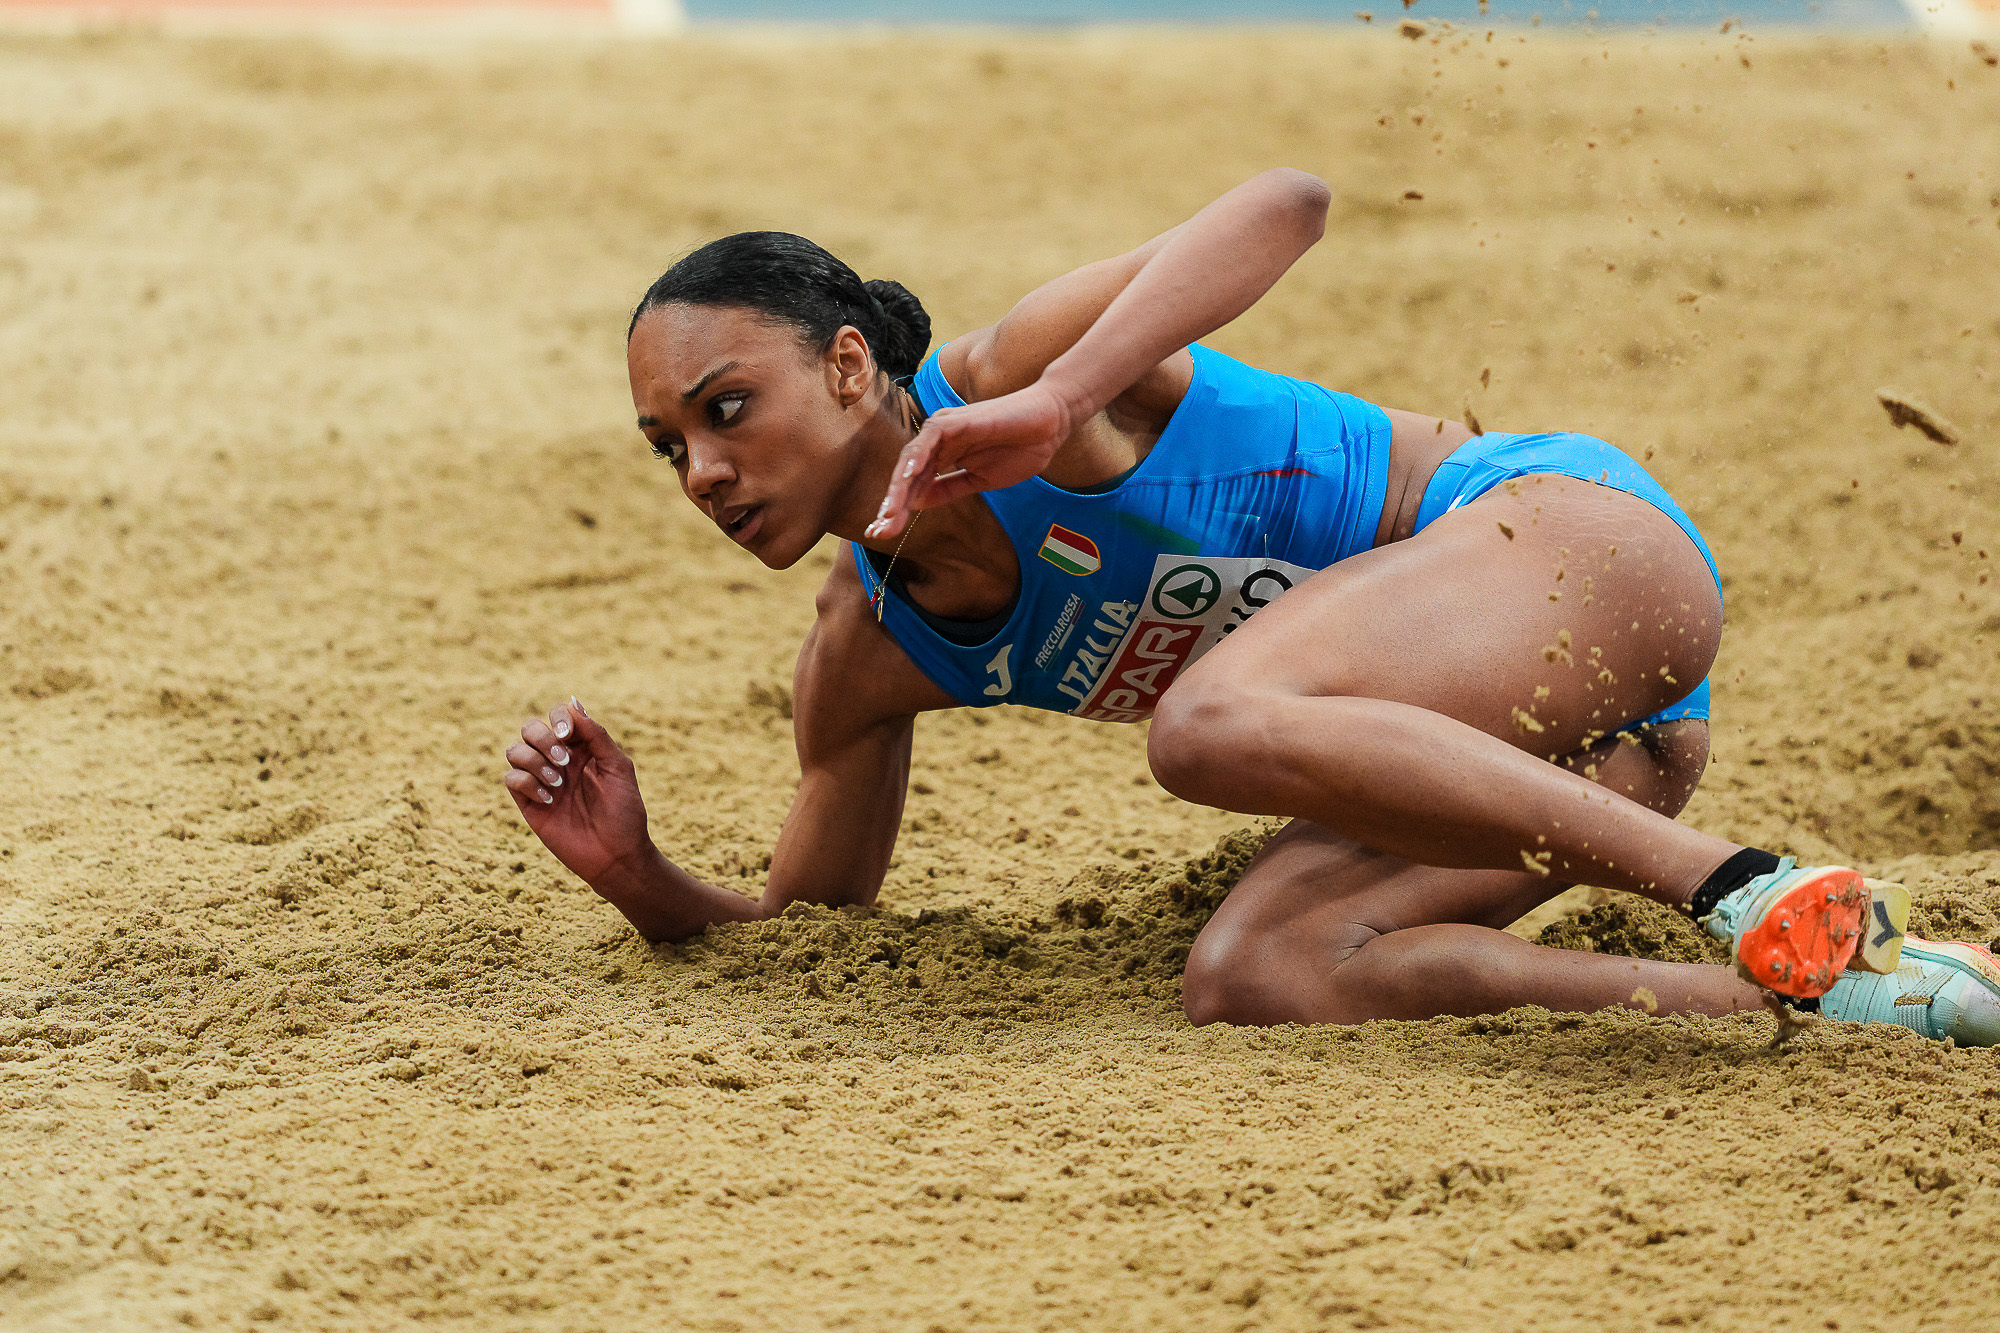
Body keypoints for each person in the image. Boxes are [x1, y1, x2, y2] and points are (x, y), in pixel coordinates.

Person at [503, 169, 1999, 1045]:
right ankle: (1835, 989)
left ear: (846, 368)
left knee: (1205, 724)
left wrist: (1065, 399)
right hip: (1609, 759)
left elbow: (1290, 203)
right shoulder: (868, 651)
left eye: (724, 408)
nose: (703, 470)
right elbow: (809, 928)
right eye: (668, 447)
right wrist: (638, 873)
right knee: (1251, 976)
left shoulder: (1017, 381)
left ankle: (1745, 885)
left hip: (1585, 554)